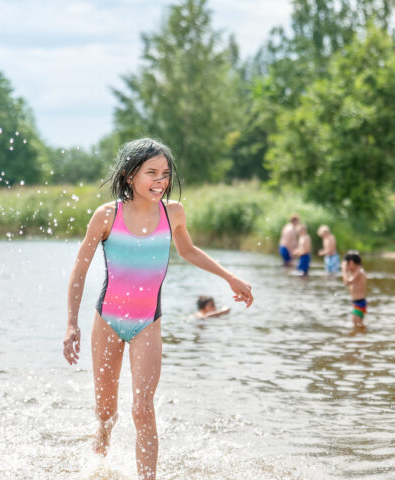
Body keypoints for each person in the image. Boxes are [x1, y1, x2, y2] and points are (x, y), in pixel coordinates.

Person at [62, 138, 253, 480]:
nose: (160, 181)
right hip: (107, 321)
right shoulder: (107, 216)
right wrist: (71, 324)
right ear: (130, 174)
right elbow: (79, 269)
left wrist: (229, 277)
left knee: (142, 408)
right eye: (151, 173)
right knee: (106, 411)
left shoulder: (173, 212)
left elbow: (189, 251)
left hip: (147, 323)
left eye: (165, 174)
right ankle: (100, 454)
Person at [341, 251, 368, 328]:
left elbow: (347, 282)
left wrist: (343, 270)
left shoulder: (359, 272)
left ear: (352, 262)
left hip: (360, 303)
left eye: (348, 264)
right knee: (358, 325)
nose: (347, 267)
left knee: (356, 324)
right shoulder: (355, 272)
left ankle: (361, 338)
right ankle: (361, 338)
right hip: (357, 302)